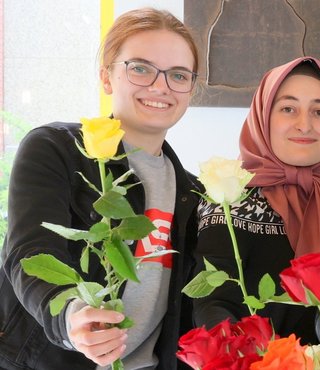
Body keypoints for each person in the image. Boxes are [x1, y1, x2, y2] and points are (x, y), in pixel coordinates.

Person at [0, 8, 203, 369]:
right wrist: (72, 315)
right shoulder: (55, 149)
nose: (160, 86)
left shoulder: (194, 193)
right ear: (106, 77)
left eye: (178, 75)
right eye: (140, 68)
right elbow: (29, 253)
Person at [191, 57, 320, 363]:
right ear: (263, 116)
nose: (304, 124)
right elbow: (212, 302)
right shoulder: (228, 197)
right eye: (288, 108)